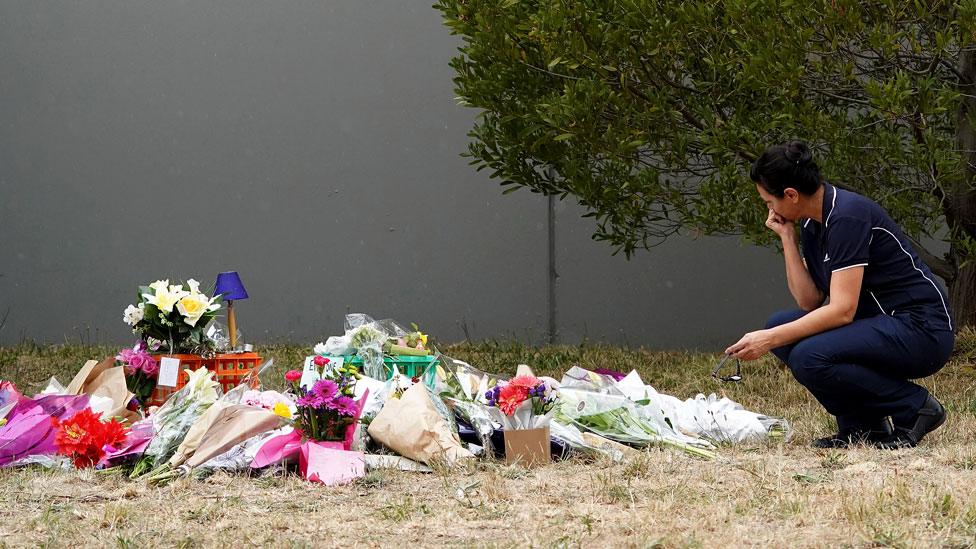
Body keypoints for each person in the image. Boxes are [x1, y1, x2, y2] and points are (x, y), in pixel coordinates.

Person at [725, 141, 955, 449]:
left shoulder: (848, 217)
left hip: (921, 329)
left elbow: (842, 310)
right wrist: (788, 238)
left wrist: (769, 339)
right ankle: (864, 426)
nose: (770, 209)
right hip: (880, 323)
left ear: (791, 195)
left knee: (808, 355)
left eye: (769, 201)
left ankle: (915, 407)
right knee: (781, 323)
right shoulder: (812, 221)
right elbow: (809, 301)